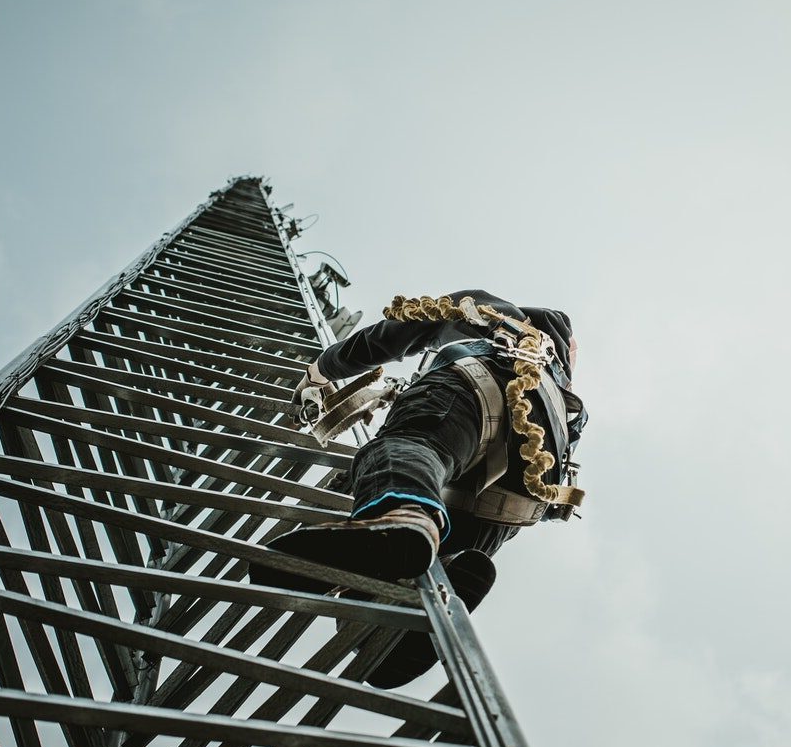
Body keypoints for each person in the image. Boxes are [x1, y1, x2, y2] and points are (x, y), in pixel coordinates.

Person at [248, 289, 587, 686]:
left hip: (475, 388)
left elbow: (397, 333)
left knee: (410, 450)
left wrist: (321, 371)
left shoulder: (499, 316)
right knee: (412, 553)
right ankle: (402, 621)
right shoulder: (568, 404)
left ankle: (401, 516)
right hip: (518, 495)